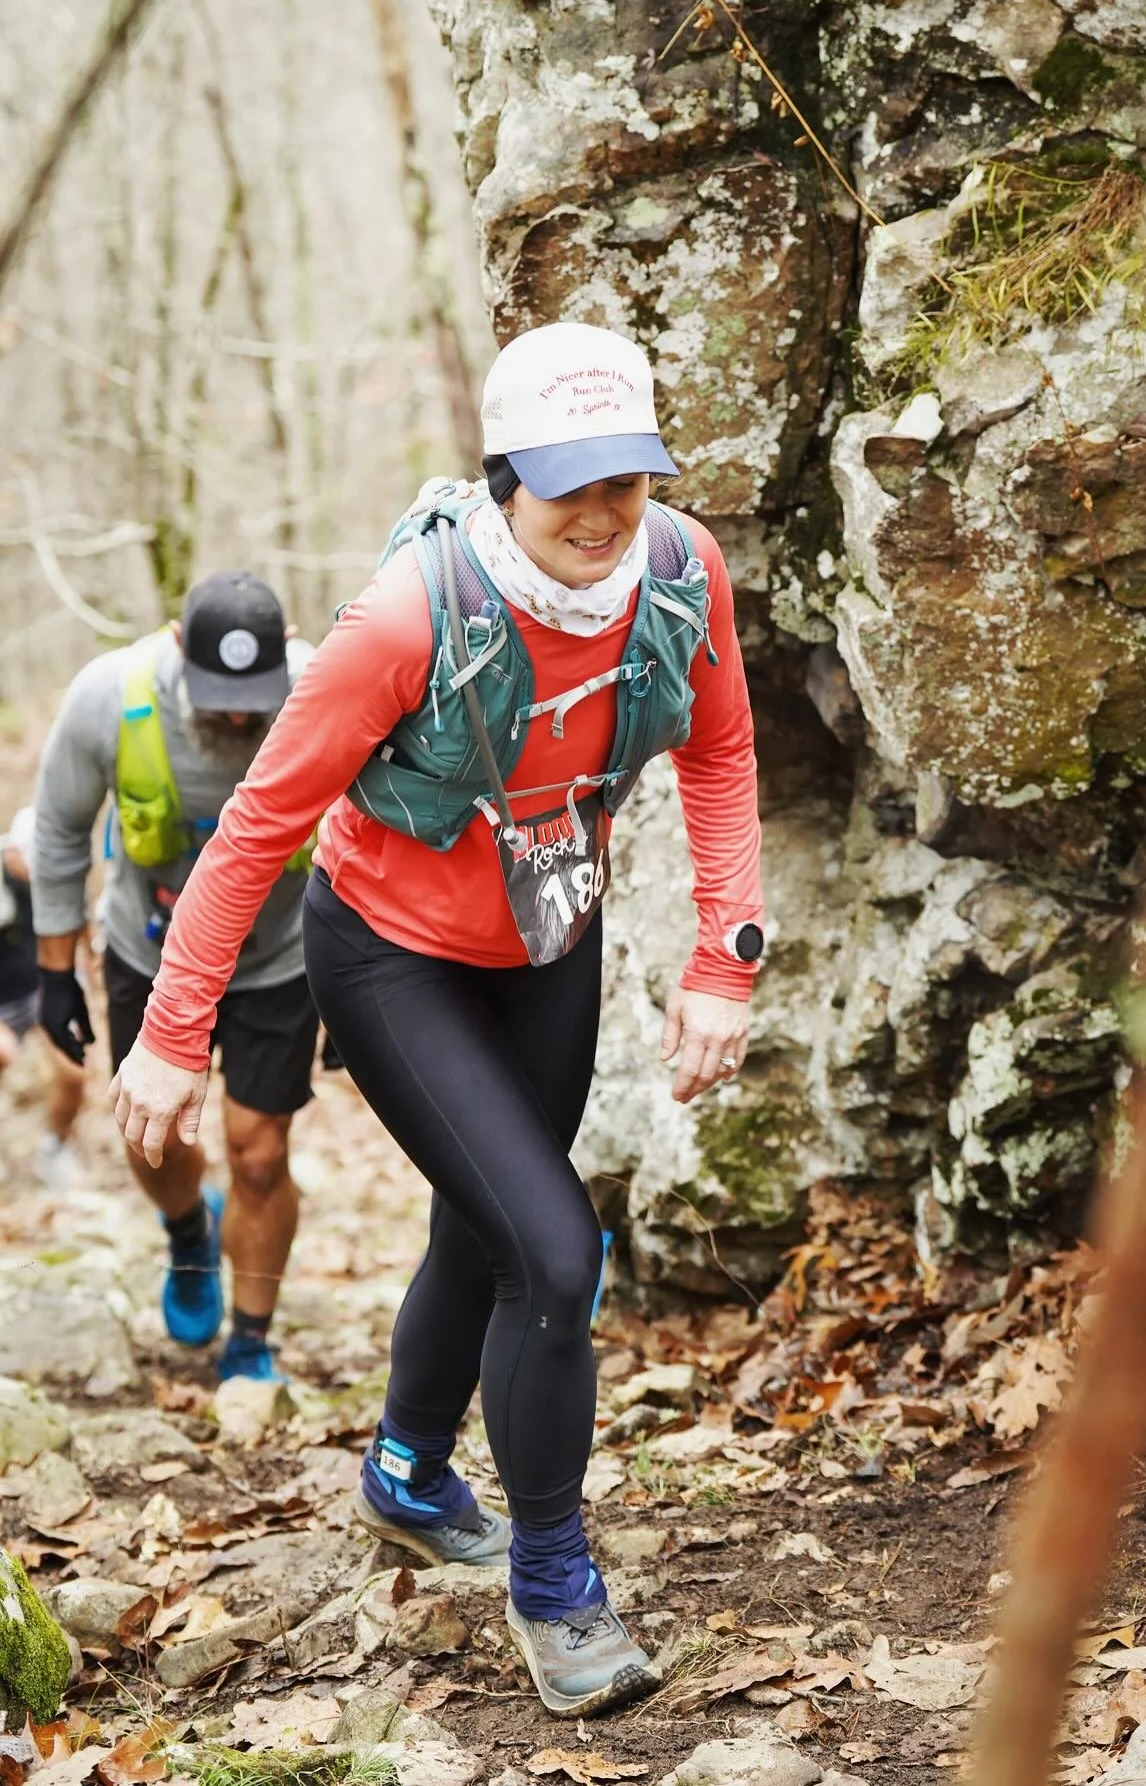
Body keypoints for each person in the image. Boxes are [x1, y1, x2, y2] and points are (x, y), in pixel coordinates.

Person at [108, 321, 765, 1720]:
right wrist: (173, 1034)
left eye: (627, 482)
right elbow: (254, 832)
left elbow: (718, 752)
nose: (601, 514)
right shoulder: (408, 618)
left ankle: (406, 1473)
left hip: (552, 939)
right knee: (553, 1245)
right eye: (569, 483)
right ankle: (554, 1585)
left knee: (492, 1228)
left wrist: (725, 961)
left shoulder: (679, 571)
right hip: (393, 957)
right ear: (505, 474)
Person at [32, 573, 318, 1382]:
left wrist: (361, 977)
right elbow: (56, 833)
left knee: (259, 1152)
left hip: (277, 958)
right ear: (173, 644)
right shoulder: (109, 698)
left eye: (252, 693)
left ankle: (252, 1341)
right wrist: (57, 978)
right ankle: (190, 1231)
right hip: (147, 955)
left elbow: (379, 824)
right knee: (153, 1138)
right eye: (218, 692)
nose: (236, 712)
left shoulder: (323, 685)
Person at [0, 805, 87, 1188]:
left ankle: (54, 1147)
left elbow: (80, 931)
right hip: (2, 1000)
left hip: (41, 986)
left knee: (73, 1069)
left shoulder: (58, 879)